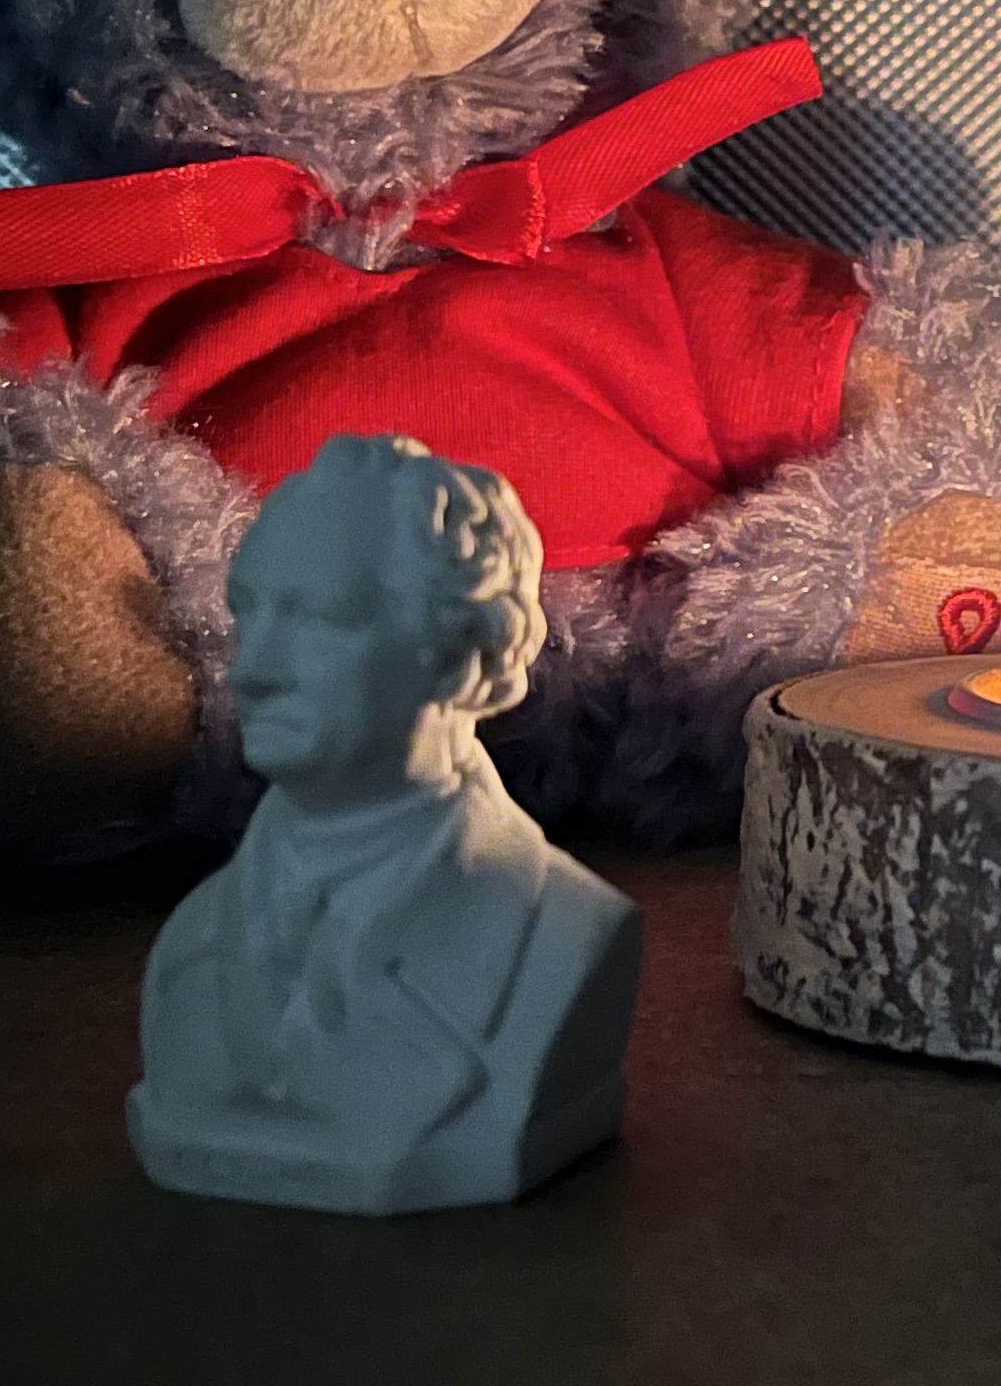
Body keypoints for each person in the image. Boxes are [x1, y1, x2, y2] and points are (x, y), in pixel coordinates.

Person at [128, 435, 642, 1213]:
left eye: (317, 619)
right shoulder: (191, 943)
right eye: (248, 616)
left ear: (457, 653)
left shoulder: (568, 937)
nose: (252, 671)